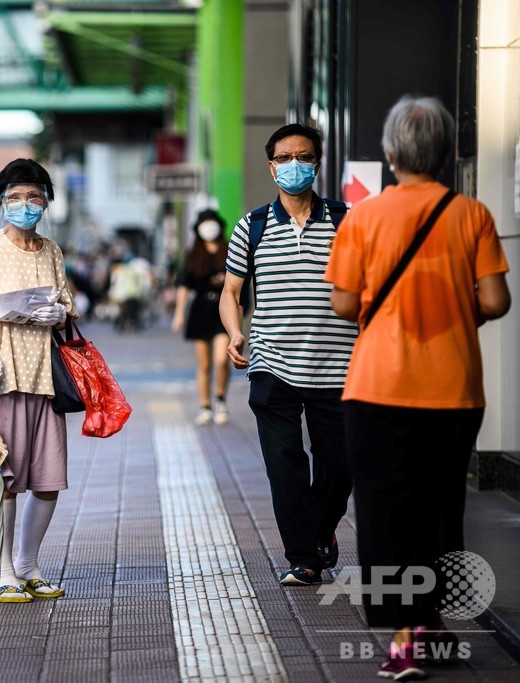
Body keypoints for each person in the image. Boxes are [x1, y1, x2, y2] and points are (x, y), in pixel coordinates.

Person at [326, 96, 510, 680]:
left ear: (390, 153)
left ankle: (406, 639)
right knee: (439, 507)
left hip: (378, 387)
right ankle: (430, 619)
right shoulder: (471, 214)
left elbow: (345, 302)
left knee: (385, 512)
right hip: (454, 389)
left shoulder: (363, 218)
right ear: (449, 153)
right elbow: (495, 300)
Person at [219, 123, 356, 586]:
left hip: (340, 367)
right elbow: (231, 290)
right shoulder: (251, 225)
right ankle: (304, 557)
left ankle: (319, 534)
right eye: (284, 157)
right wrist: (235, 332)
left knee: (339, 467)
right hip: (272, 365)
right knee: (285, 468)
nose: (294, 164)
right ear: (271, 165)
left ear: (317, 163)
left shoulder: (347, 220)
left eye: (304, 156)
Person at [0, 159, 79, 603]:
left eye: (33, 197)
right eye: (15, 197)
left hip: (46, 379)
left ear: (46, 201)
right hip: (0, 381)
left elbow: (68, 303)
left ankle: (27, 565)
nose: (25, 205)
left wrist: (61, 313)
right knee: (3, 479)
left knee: (48, 480)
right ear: (1, 202)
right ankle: (3, 572)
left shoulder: (51, 251)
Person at [171, 209, 232, 426]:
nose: (209, 227)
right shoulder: (193, 253)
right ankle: (205, 406)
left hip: (224, 309)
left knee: (221, 359)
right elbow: (184, 286)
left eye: (212, 222)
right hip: (200, 310)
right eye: (204, 223)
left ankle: (221, 398)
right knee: (204, 363)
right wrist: (179, 314)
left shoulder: (229, 249)